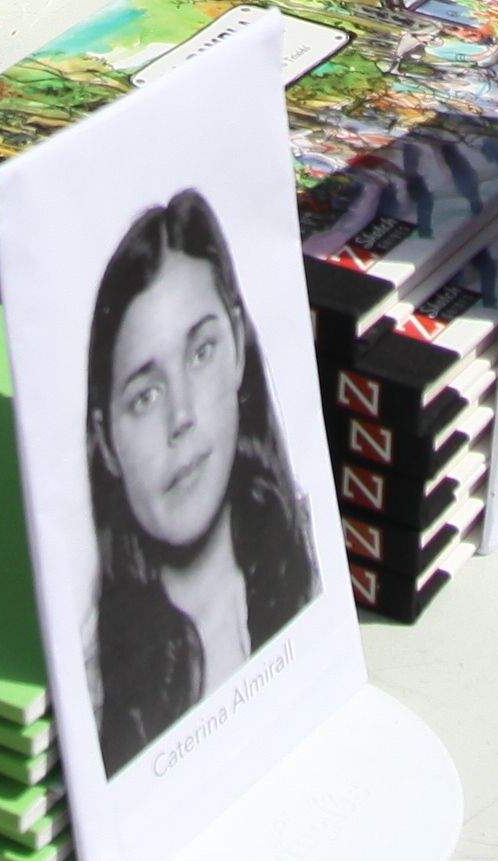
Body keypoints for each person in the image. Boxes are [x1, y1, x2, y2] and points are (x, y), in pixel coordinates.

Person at [79, 190, 321, 765]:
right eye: (144, 395)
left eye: (201, 351)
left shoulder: (311, 558)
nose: (181, 416)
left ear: (237, 345)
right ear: (107, 440)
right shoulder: (93, 692)